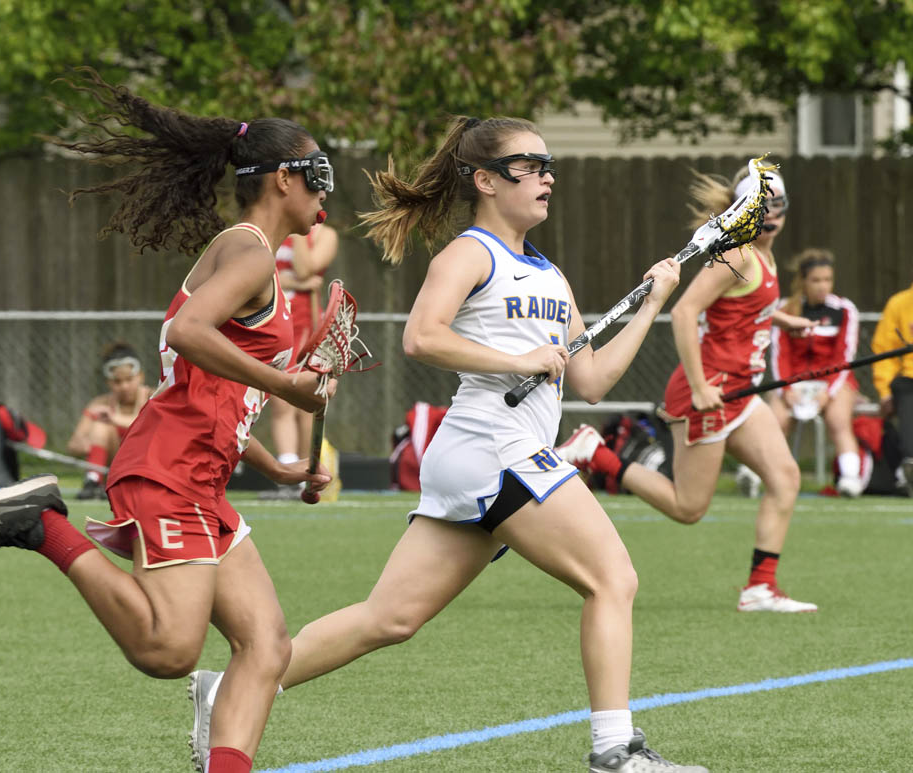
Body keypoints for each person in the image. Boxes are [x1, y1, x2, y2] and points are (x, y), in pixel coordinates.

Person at [189, 116, 706, 773]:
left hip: (485, 457)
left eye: (550, 164)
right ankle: (615, 748)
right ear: (485, 180)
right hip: (494, 445)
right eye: (530, 163)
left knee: (389, 618)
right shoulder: (470, 254)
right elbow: (421, 337)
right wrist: (515, 359)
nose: (547, 175)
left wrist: (654, 301)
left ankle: (232, 689)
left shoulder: (551, 275)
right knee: (613, 577)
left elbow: (594, 379)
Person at [0, 68, 335, 773]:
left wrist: (274, 465)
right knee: (168, 649)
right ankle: (41, 524)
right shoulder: (247, 255)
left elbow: (208, 394)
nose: (324, 194)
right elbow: (187, 332)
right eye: (318, 174)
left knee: (266, 644)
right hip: (171, 470)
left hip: (200, 475)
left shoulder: (248, 255)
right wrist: (286, 384)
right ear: (282, 179)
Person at [560, 165, 820, 613]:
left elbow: (747, 305)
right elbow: (684, 313)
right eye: (762, 205)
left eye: (777, 203)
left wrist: (783, 320)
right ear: (743, 211)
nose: (771, 213)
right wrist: (700, 387)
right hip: (711, 391)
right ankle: (594, 452)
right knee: (688, 507)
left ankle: (760, 588)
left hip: (740, 392)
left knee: (785, 478)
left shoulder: (765, 257)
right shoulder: (738, 255)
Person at [765, 248, 863, 496]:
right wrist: (785, 389)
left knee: (838, 420)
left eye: (827, 280)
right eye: (816, 280)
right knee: (775, 420)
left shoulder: (845, 310)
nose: (823, 286)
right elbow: (779, 355)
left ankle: (851, 480)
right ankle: (758, 476)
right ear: (803, 281)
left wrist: (828, 392)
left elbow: (844, 357)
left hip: (833, 380)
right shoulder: (784, 309)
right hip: (793, 380)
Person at [262, 223, 339, 498]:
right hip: (275, 323)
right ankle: (287, 475)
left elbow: (307, 269)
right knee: (281, 401)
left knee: (308, 401)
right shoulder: (270, 231)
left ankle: (309, 472)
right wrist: (297, 283)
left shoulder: (325, 236)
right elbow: (264, 278)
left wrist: (297, 233)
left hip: (308, 325)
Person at [67, 341, 153, 500]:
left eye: (129, 379)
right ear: (109, 382)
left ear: (140, 376)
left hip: (145, 469)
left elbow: (153, 432)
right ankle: (93, 483)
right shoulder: (100, 404)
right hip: (112, 467)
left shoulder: (153, 398)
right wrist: (91, 441)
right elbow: (73, 446)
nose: (124, 386)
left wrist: (114, 419)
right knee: (100, 427)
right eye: (117, 382)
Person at [871, 276, 913, 496]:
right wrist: (885, 391)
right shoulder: (899, 304)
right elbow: (884, 353)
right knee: (905, 388)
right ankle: (910, 463)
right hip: (909, 379)